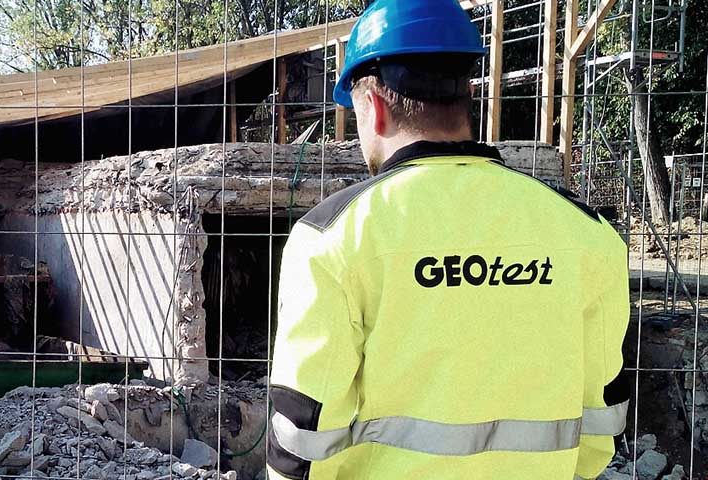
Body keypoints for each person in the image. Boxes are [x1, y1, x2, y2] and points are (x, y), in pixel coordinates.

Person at [266, 1, 630, 478]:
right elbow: (601, 421)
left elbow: (303, 434)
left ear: (373, 108)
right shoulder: (588, 234)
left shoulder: (330, 238)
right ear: (466, 97)